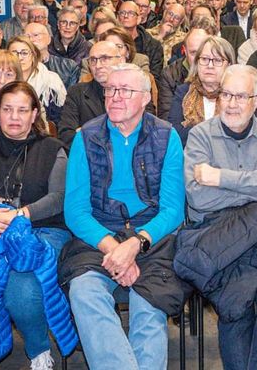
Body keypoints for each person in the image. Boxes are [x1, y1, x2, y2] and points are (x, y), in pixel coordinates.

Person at [60, 64, 186, 370]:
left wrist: (135, 245)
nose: (114, 97)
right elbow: (75, 211)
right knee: (84, 292)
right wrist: (114, 249)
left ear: (145, 98)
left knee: (149, 304)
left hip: (152, 236)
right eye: (109, 89)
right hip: (98, 236)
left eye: (125, 90)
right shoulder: (86, 138)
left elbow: (172, 210)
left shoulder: (166, 137)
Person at [182, 64, 257, 369]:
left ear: (256, 100)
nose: (231, 103)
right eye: (226, 94)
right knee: (235, 303)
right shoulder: (200, 136)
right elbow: (198, 197)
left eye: (240, 96)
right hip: (220, 236)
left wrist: (220, 177)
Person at [0, 81, 72, 369]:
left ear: (34, 114)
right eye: (7, 109)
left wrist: (19, 216)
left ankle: (39, 353)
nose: (14, 117)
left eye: (22, 110)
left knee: (19, 287)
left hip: (42, 231)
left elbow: (58, 199)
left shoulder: (53, 150)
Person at [167, 36, 234, 142]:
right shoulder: (183, 92)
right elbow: (174, 132)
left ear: (229, 65)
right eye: (205, 59)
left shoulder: (239, 94)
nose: (210, 65)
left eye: (217, 60)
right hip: (191, 154)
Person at [7, 35, 68, 122]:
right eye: (14, 53)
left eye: (24, 53)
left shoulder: (50, 81)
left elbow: (58, 119)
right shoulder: (2, 81)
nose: (19, 58)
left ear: (33, 56)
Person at [157, 27, 211, 120]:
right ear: (184, 51)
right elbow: (166, 117)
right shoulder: (170, 74)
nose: (199, 58)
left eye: (202, 51)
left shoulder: (220, 72)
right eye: (194, 53)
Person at [23, 21, 82, 92]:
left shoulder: (69, 66)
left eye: (36, 35)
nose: (31, 40)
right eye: (27, 36)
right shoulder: (19, 67)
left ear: (49, 39)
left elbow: (73, 96)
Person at [120, 0, 166, 78]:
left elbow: (155, 77)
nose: (126, 16)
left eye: (131, 13)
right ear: (117, 18)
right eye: (122, 13)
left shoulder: (153, 46)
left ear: (138, 19)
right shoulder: (110, 42)